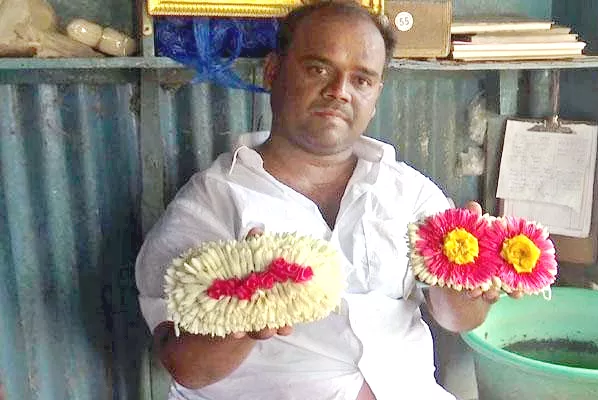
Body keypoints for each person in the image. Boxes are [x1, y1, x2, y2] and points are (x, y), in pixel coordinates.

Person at [136, 2, 512, 399]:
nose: (339, 92)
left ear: (376, 94)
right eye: (318, 69)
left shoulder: (410, 193)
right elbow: (184, 366)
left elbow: (454, 316)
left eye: (362, 80)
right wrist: (245, 321)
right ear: (273, 72)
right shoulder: (212, 203)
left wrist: (469, 291)